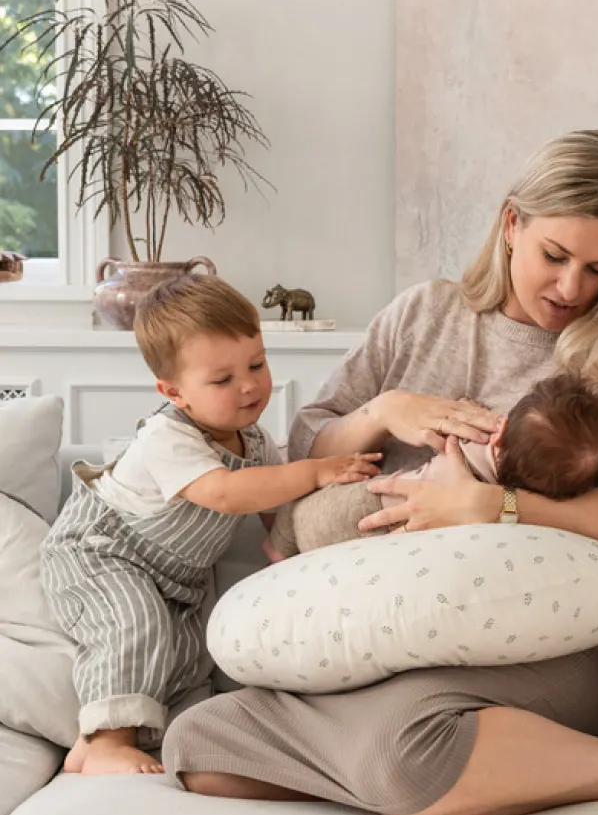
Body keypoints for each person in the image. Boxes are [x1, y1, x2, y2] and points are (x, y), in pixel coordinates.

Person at [163, 131, 598, 815]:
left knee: (404, 752)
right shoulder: (423, 316)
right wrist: (385, 410)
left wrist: (492, 508)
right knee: (199, 746)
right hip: (373, 641)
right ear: (512, 224)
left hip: (528, 653)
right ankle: (425, 768)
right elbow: (306, 447)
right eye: (556, 256)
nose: (571, 288)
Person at [41, 275, 380, 777]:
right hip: (103, 552)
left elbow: (277, 514)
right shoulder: (166, 437)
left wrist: (295, 558)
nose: (249, 386)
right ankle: (103, 742)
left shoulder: (256, 442)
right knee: (132, 621)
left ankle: (147, 737)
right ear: (174, 392)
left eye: (257, 365)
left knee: (187, 655)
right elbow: (223, 492)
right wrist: (313, 471)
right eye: (222, 380)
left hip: (175, 577)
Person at [266, 372, 598, 558]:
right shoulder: (509, 505)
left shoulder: (467, 449)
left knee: (296, 514)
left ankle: (277, 549)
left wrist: (467, 408)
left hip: (356, 505)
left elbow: (451, 434)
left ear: (499, 432)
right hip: (364, 545)